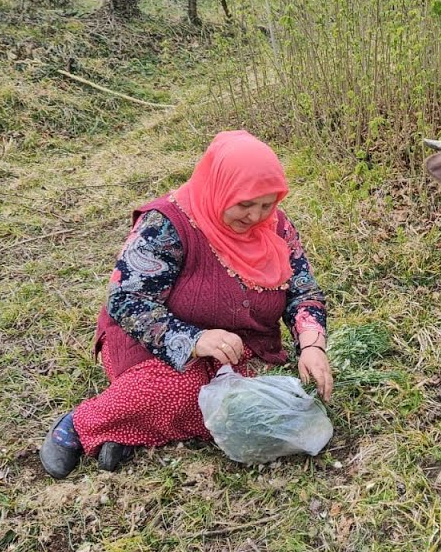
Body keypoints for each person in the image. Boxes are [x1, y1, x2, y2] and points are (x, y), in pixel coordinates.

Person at [41, 130, 332, 478]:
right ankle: (82, 424)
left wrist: (312, 345)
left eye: (267, 204)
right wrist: (193, 340)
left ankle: (133, 430)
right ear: (219, 187)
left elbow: (303, 291)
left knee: (251, 404)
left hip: (240, 347)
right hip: (153, 348)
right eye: (244, 204)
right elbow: (127, 300)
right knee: (181, 392)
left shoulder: (276, 226)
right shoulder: (168, 224)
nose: (256, 216)